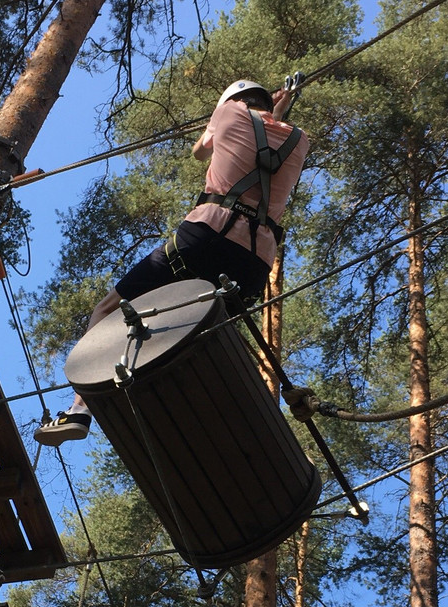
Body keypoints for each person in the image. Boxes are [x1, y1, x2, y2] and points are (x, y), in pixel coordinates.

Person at [35, 78, 309, 446]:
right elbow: (266, 153)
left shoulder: (227, 111)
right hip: (254, 262)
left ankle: (81, 410)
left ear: (231, 101)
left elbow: (200, 153)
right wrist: (278, 114)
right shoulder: (299, 141)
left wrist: (226, 117)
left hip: (204, 237)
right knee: (212, 339)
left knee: (106, 309)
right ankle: (227, 429)